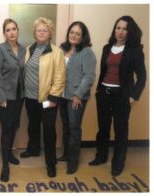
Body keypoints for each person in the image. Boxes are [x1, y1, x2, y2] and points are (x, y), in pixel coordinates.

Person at [89, 16, 146, 177]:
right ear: (114, 29)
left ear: (130, 31)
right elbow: (104, 71)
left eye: (124, 29)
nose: (120, 32)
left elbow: (142, 76)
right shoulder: (108, 47)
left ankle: (118, 163)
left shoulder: (135, 51)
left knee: (120, 131)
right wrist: (99, 90)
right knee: (103, 129)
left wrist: (133, 96)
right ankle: (101, 156)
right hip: (104, 94)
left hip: (122, 96)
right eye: (118, 28)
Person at [20, 17, 66, 178]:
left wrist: (54, 98)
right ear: (34, 33)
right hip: (30, 97)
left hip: (47, 99)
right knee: (33, 125)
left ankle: (51, 163)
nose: (41, 32)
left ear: (50, 33)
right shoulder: (28, 49)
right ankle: (33, 149)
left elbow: (60, 77)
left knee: (48, 129)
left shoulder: (57, 52)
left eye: (44, 30)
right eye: (39, 30)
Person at [57, 21, 96, 174]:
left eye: (78, 33)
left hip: (76, 97)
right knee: (66, 126)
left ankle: (73, 162)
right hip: (62, 95)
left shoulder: (87, 52)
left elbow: (89, 76)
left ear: (83, 36)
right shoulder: (62, 49)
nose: (74, 35)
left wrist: (78, 95)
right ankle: (67, 154)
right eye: (72, 32)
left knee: (74, 128)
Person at [0, 19, 26, 182]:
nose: (11, 32)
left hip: (19, 96)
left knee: (14, 126)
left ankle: (10, 153)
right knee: (6, 128)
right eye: (8, 30)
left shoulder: (23, 49)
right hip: (5, 96)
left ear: (18, 30)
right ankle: (5, 166)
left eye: (14, 29)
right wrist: (1, 97)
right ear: (4, 33)